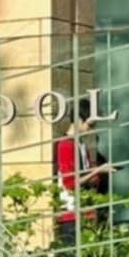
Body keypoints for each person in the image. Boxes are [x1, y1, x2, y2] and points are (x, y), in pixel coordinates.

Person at [53, 103, 106, 247]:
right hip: (72, 213)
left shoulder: (80, 145)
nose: (92, 128)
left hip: (85, 211)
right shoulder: (66, 145)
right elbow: (70, 183)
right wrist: (97, 171)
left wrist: (95, 175)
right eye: (90, 124)